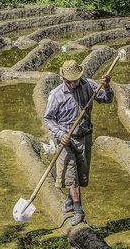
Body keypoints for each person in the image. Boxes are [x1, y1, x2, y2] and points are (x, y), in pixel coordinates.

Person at [43, 60, 114, 226]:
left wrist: (106, 86)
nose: (73, 83)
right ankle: (78, 210)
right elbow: (48, 119)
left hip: (84, 136)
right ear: (64, 79)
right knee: (71, 176)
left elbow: (107, 99)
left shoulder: (88, 85)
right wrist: (60, 134)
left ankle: (70, 200)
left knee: (81, 174)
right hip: (66, 140)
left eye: (75, 80)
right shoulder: (56, 94)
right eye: (69, 81)